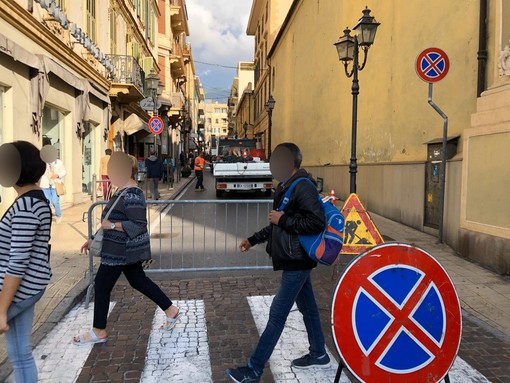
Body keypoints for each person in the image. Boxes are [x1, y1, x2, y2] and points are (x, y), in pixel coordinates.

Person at [226, 143, 329, 383]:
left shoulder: (303, 187)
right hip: (295, 258)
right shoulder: (287, 186)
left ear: (292, 163)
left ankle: (254, 369)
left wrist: (284, 220)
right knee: (309, 308)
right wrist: (253, 240)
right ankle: (319, 353)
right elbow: (276, 222)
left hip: (298, 260)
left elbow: (316, 223)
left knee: (277, 314)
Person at [75, 153, 181, 345]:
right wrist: (94, 239)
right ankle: (170, 310)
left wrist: (113, 227)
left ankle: (99, 331)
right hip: (117, 247)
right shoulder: (122, 190)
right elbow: (111, 218)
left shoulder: (132, 193)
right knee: (138, 281)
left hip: (119, 250)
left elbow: (139, 224)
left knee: (101, 285)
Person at [0, 141, 52, 382]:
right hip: (28, 288)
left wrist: (1, 310)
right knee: (19, 352)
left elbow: (18, 261)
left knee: (20, 354)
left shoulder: (27, 205)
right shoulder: (33, 200)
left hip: (18, 290)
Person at [40, 155, 66, 224]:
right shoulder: (43, 162)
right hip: (45, 185)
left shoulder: (59, 162)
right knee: (47, 202)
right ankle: (48, 216)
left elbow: (64, 172)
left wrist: (57, 175)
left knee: (55, 202)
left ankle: (59, 215)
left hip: (55, 185)